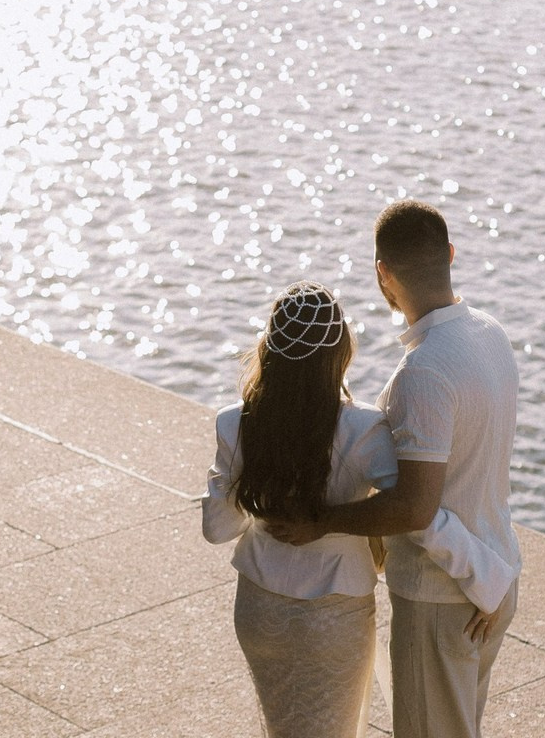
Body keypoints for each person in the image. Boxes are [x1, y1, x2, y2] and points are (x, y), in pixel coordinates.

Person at [202, 279, 514, 738]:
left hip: (258, 611)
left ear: (268, 348)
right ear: (341, 351)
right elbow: (416, 514)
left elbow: (217, 528)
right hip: (332, 617)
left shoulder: (234, 422)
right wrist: (488, 577)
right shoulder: (363, 428)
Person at [269, 201, 521, 738]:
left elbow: (414, 506)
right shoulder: (490, 334)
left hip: (445, 595)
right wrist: (498, 577)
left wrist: (321, 520)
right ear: (451, 255)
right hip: (490, 573)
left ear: (382, 274)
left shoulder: (423, 372)